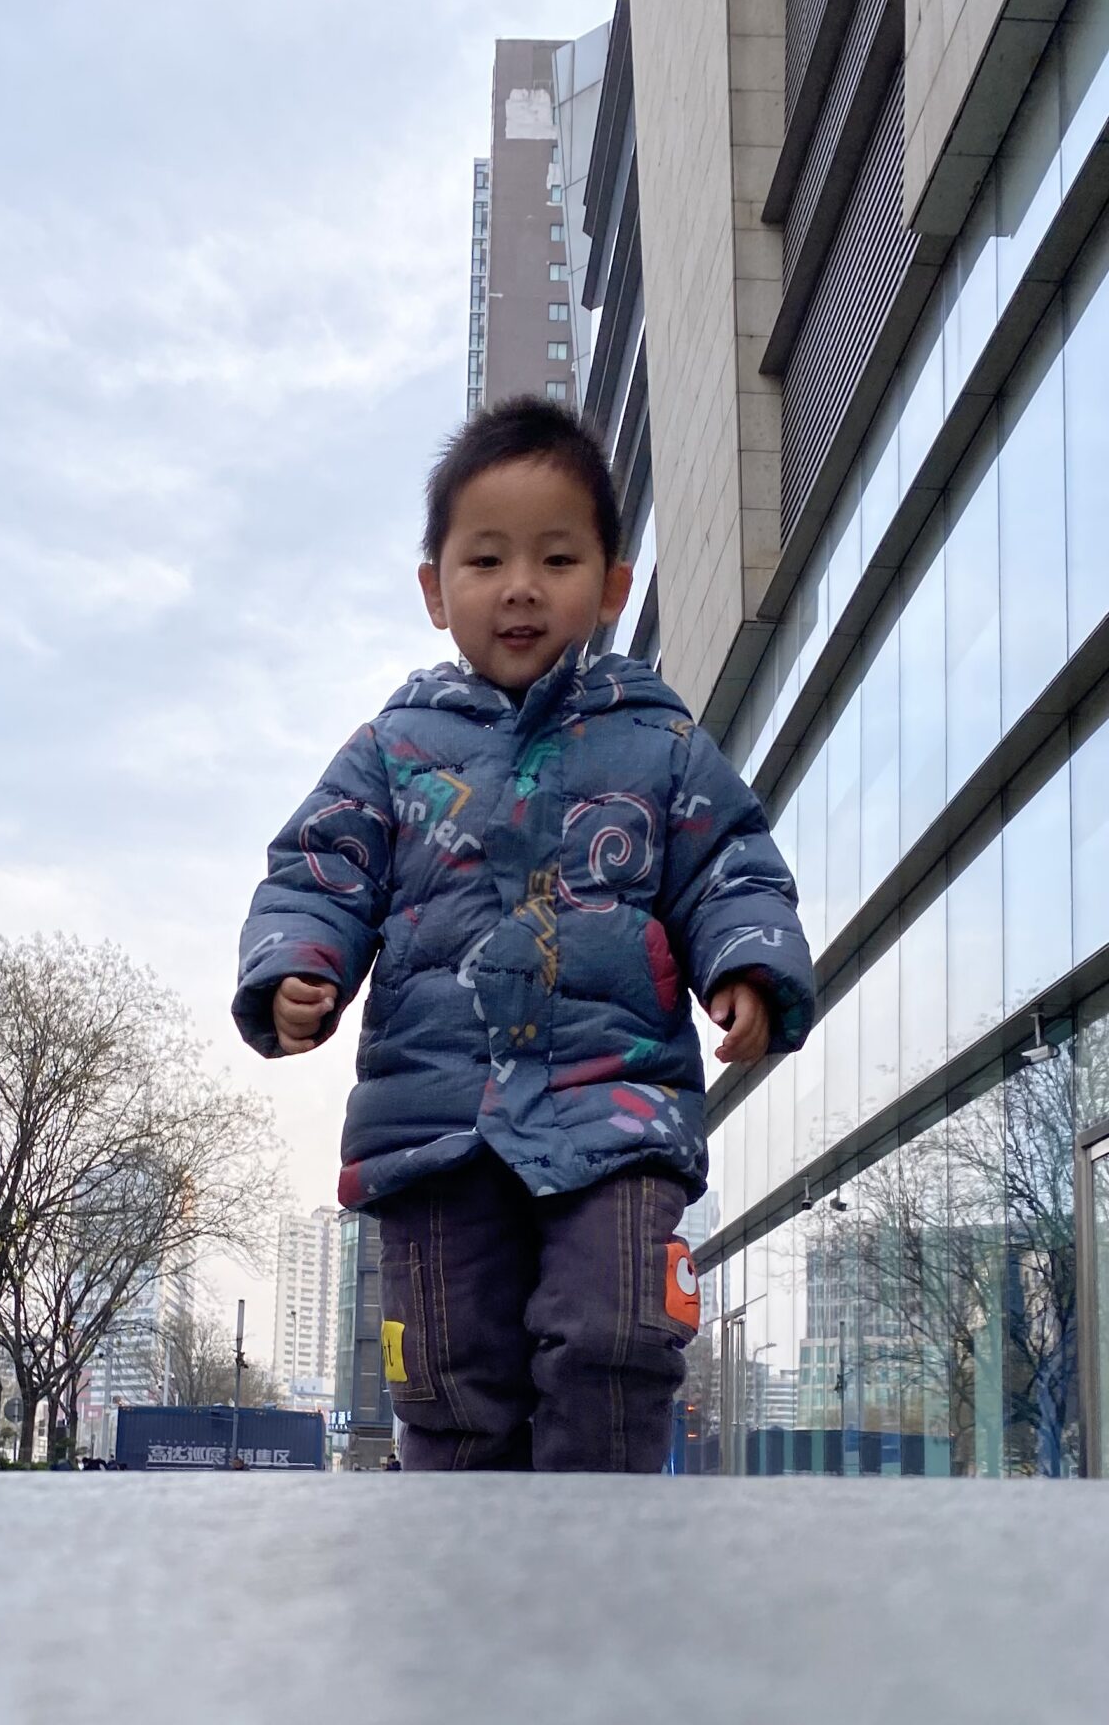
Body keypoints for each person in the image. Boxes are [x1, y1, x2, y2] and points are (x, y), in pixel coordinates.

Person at [233, 398, 815, 1472]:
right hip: (436, 1120)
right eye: (487, 559)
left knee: (615, 1337)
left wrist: (746, 960)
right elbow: (318, 868)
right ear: (435, 588)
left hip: (615, 1111)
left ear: (611, 585)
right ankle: (467, 1559)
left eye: (556, 558)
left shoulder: (660, 742)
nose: (520, 586)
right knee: (452, 1374)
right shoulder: (393, 750)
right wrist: (296, 967)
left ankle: (599, 1550)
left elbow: (731, 863)